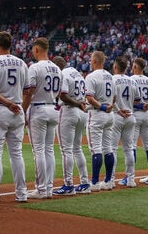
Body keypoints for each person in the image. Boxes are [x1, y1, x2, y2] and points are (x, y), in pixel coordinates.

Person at [0, 31, 30, 203]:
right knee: (16, 154)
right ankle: (22, 193)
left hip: (0, 109)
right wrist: (19, 106)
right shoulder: (22, 63)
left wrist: (8, 103)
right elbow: (28, 90)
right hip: (18, 110)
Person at [23, 37, 62, 199]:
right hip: (53, 107)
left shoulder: (35, 67)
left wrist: (22, 109)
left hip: (38, 108)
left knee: (38, 150)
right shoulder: (57, 68)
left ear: (37, 49)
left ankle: (41, 189)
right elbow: (60, 92)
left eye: (33, 49)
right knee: (48, 150)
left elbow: (29, 91)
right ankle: (49, 187)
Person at [52, 56, 91, 195]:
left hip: (69, 110)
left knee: (66, 150)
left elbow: (63, 96)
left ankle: (68, 185)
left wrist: (76, 103)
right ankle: (85, 182)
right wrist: (80, 104)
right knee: (77, 148)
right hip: (82, 113)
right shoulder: (77, 73)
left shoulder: (62, 74)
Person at [84, 51, 115, 192]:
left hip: (97, 113)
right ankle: (108, 181)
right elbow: (114, 97)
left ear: (95, 61)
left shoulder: (91, 77)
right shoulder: (110, 76)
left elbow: (89, 98)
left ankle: (95, 182)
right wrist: (108, 106)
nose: (90, 62)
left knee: (96, 149)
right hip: (110, 114)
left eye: (91, 60)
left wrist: (102, 106)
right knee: (108, 148)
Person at [110, 56, 143, 188]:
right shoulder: (132, 81)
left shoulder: (112, 79)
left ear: (115, 67)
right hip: (130, 115)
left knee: (112, 149)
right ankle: (131, 179)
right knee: (129, 149)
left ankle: (110, 179)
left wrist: (119, 108)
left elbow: (111, 99)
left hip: (117, 116)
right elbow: (137, 100)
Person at [130, 58, 148, 184]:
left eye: (133, 66)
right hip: (147, 115)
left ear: (136, 66)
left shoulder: (131, 80)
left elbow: (128, 100)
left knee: (132, 146)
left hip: (135, 114)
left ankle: (130, 177)